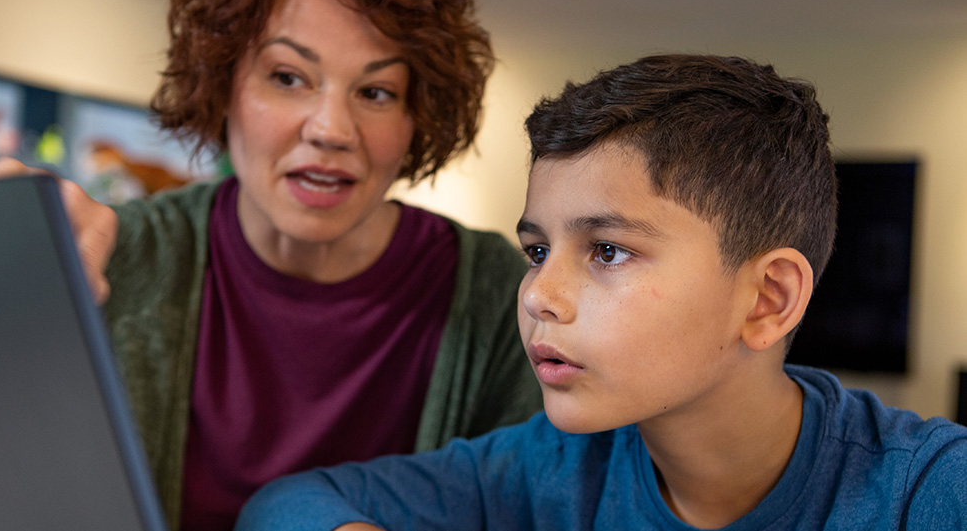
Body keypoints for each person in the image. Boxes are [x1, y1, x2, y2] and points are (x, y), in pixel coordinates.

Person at [233, 54, 967, 530]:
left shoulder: (924, 487)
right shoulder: (547, 468)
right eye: (539, 250)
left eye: (608, 250)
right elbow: (283, 504)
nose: (537, 294)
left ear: (768, 298)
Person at [0, 0, 541, 529]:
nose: (330, 130)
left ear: (415, 119)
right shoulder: (114, 256)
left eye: (375, 92)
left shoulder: (496, 295)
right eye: (288, 77)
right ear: (223, 87)